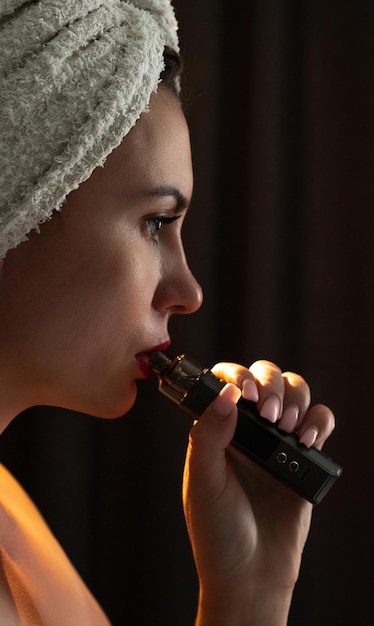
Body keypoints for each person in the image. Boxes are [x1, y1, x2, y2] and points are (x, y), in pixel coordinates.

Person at [0, 1, 335, 624]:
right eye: (156, 222)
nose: (187, 291)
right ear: (20, 201)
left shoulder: (9, 513)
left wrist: (249, 593)